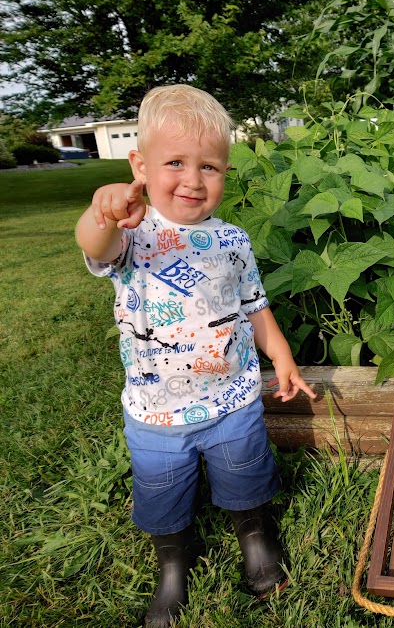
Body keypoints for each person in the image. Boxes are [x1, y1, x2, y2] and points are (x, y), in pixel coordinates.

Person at [75, 84, 316, 628]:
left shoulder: (232, 239)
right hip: (156, 410)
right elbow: (93, 244)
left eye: (210, 167)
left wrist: (280, 355)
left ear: (226, 172)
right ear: (139, 164)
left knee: (245, 474)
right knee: (162, 493)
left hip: (232, 398)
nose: (193, 180)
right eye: (175, 163)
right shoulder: (132, 233)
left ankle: (255, 536)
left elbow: (254, 304)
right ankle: (173, 564)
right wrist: (104, 209)